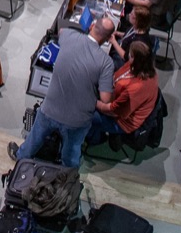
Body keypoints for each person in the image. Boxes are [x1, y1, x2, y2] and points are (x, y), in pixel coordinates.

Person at [7, 18, 116, 168]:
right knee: (71, 152)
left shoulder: (70, 36)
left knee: (36, 136)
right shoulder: (106, 62)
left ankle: (21, 156)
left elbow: (61, 31)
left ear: (91, 26)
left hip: (50, 109)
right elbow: (105, 98)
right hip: (77, 121)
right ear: (109, 38)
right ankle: (67, 174)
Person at [86, 42, 159, 147]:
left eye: (131, 54)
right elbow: (116, 76)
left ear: (136, 59)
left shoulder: (135, 89)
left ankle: (95, 139)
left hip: (122, 121)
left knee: (86, 114)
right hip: (113, 98)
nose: (128, 55)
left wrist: (93, 102)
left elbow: (114, 111)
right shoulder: (138, 67)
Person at [107, 6, 155, 71]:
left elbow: (125, 57)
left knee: (104, 62)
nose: (129, 14)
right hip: (122, 46)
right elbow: (129, 34)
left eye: (132, 14)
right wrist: (119, 33)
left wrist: (113, 41)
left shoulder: (138, 42)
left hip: (122, 62)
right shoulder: (138, 28)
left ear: (137, 20)